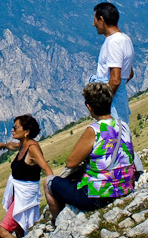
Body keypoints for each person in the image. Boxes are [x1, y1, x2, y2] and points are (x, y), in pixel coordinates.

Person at [43, 83, 135, 222]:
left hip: (97, 196)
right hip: (124, 188)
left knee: (48, 182)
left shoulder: (94, 130)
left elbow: (71, 162)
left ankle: (58, 223)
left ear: (89, 106)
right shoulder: (123, 125)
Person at [0, 115, 53, 238]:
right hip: (18, 194)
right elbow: (13, 146)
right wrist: (4, 145)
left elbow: (46, 168)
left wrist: (53, 188)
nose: (12, 130)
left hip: (25, 196)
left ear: (26, 131)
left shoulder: (32, 148)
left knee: (3, 231)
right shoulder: (23, 144)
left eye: (15, 127)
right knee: (19, 228)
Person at [90, 2, 134, 125]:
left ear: (102, 19)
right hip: (120, 99)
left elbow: (115, 80)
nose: (94, 24)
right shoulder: (125, 39)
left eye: (95, 20)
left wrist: (101, 105)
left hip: (111, 104)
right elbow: (129, 73)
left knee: (110, 138)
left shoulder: (113, 42)